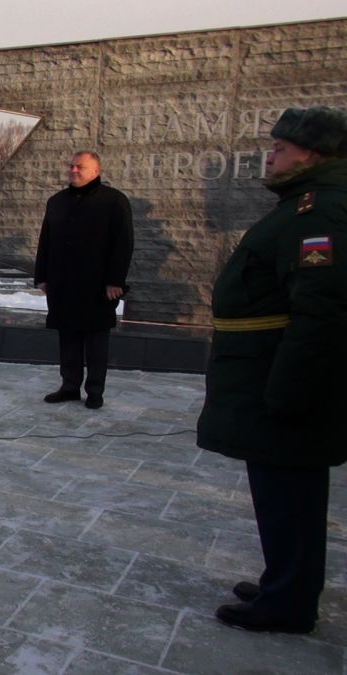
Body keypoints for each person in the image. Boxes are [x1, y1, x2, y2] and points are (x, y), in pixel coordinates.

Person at [197, 106, 347, 635]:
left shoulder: (319, 213)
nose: (271, 156)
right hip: (270, 371)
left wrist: (288, 390)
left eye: (281, 148)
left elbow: (322, 311)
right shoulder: (305, 204)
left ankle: (288, 603)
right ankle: (284, 583)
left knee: (291, 495)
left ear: (313, 155)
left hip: (282, 377)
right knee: (281, 492)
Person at [33, 150, 134, 410]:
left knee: (96, 339)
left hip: (97, 285)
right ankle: (69, 385)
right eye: (71, 166)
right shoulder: (57, 201)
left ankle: (95, 390)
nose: (74, 170)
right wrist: (41, 276)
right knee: (68, 337)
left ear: (96, 171)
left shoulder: (114, 201)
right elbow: (46, 241)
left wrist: (115, 280)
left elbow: (123, 244)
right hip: (63, 283)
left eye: (80, 166)